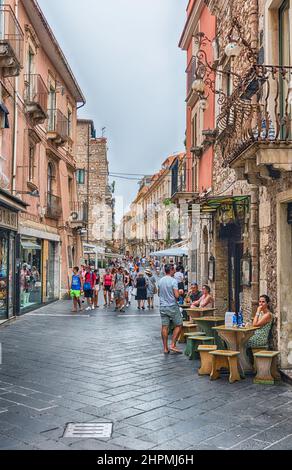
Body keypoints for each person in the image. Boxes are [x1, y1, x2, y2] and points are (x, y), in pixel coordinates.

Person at [158, 265, 182, 354]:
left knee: (164, 327)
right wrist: (179, 292)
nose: (175, 270)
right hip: (172, 306)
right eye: (174, 269)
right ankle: (173, 344)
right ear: (171, 270)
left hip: (163, 306)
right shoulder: (173, 281)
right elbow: (176, 295)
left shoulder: (160, 280)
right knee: (179, 325)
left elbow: (158, 293)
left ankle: (165, 348)